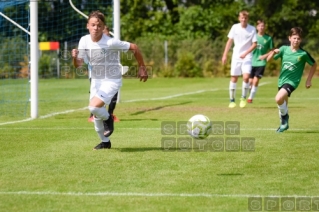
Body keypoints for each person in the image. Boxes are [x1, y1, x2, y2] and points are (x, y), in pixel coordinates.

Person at [72, 10, 148, 150]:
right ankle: (105, 142)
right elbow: (79, 65)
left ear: (103, 27)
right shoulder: (84, 40)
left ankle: (108, 118)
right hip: (96, 79)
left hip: (111, 79)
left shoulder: (110, 42)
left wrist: (142, 67)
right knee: (95, 115)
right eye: (93, 25)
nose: (96, 28)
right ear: (87, 26)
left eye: (99, 25)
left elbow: (134, 48)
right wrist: (74, 57)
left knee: (94, 107)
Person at [266, 27, 316, 133]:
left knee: (278, 98)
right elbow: (268, 60)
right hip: (282, 80)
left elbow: (314, 64)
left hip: (293, 82)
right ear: (289, 38)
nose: (296, 40)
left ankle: (285, 120)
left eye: (298, 38)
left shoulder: (303, 54)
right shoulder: (284, 49)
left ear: (301, 40)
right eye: (294, 38)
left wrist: (308, 80)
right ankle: (283, 124)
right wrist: (273, 52)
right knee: (283, 104)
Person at [222, 10, 257, 108]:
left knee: (246, 77)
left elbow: (254, 44)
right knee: (234, 78)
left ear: (247, 19)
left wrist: (246, 53)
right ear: (239, 18)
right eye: (242, 18)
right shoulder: (234, 27)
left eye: (245, 18)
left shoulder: (252, 29)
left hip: (247, 57)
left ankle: (243, 98)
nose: (244, 19)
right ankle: (232, 100)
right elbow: (229, 41)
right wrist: (224, 55)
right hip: (236, 56)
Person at [88, 25, 120, 123]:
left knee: (113, 95)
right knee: (97, 95)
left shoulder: (111, 43)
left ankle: (110, 114)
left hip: (111, 75)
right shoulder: (94, 42)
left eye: (106, 32)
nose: (104, 34)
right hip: (97, 75)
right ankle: (93, 115)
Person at [247, 20, 274, 103]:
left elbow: (273, 50)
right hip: (251, 61)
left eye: (263, 26)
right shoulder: (253, 36)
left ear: (265, 27)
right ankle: (250, 90)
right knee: (250, 81)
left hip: (261, 62)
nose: (261, 27)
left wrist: (264, 56)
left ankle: (250, 98)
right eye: (259, 26)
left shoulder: (268, 38)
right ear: (257, 27)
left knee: (255, 80)